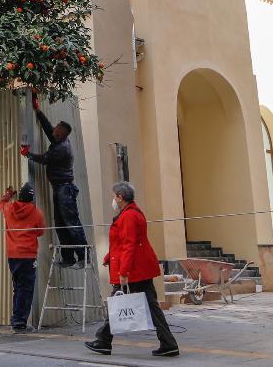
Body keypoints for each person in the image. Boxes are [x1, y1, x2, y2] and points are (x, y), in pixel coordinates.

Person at [85, 182, 179, 358]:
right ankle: (168, 343)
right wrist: (108, 258)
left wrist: (123, 272)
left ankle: (104, 341)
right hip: (139, 268)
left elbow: (130, 245)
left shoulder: (129, 216)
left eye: (114, 196)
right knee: (151, 306)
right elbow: (122, 243)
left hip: (134, 270)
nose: (113, 200)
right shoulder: (132, 213)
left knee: (117, 303)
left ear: (120, 198)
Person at [23, 96, 88, 266]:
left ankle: (83, 256)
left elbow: (45, 158)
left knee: (71, 222)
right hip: (59, 189)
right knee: (60, 224)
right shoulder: (60, 139)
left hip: (65, 190)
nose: (53, 130)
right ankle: (68, 258)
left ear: (60, 134)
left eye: (56, 129)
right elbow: (47, 128)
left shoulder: (61, 148)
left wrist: (27, 154)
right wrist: (38, 110)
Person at [0, 182, 46, 333]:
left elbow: (1, 203)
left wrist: (8, 194)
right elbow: (41, 232)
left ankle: (17, 320)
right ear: (31, 199)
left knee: (18, 288)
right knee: (26, 289)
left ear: (19, 196)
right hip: (28, 256)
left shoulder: (9, 208)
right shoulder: (37, 213)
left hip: (13, 255)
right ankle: (19, 323)